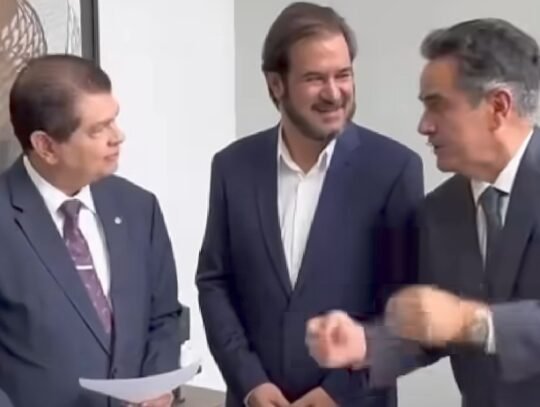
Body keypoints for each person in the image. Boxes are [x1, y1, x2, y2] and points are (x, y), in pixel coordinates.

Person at [196, 2, 423, 406]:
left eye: (343, 75)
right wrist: (250, 383)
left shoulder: (394, 170)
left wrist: (338, 392)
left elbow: (402, 308)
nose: (334, 93)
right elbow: (215, 283)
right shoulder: (232, 167)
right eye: (315, 78)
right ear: (276, 84)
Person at [307, 18, 540, 407]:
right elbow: (436, 328)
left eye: (437, 105)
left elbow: (459, 321)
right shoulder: (440, 209)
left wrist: (471, 320)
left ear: (498, 107)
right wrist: (366, 343)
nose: (423, 126)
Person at [0, 54, 183, 407]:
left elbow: (163, 317)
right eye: (98, 129)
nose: (118, 136)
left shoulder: (139, 208)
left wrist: (158, 387)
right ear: (46, 146)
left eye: (114, 120)